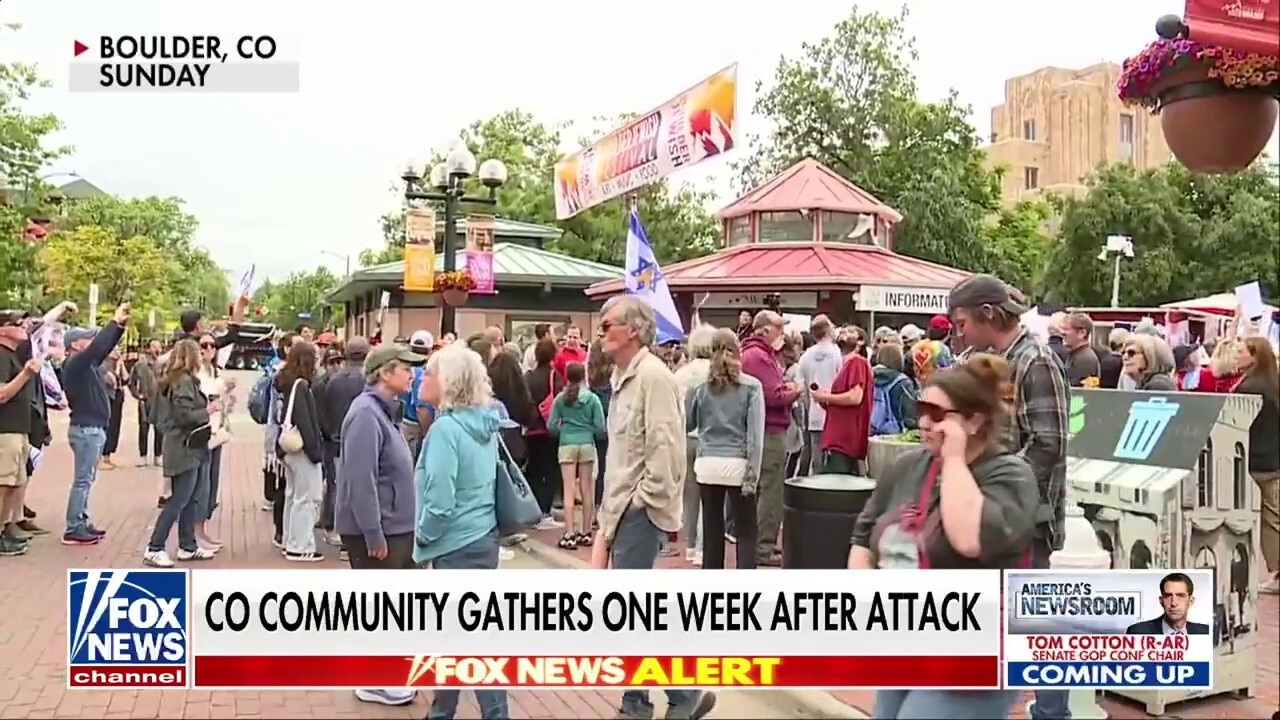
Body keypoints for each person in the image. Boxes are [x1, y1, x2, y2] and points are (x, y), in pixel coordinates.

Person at [850, 354, 1035, 719]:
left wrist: (953, 460)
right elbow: (864, 532)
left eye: (937, 415)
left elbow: (970, 539)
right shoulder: (909, 466)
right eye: (921, 410)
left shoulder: (1010, 476)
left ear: (974, 421)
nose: (923, 423)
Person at [947, 275, 1068, 720]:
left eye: (962, 323)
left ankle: (1051, 714)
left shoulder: (1035, 360)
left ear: (988, 314)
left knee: (1035, 622)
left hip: (1026, 519)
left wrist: (999, 490)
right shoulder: (996, 362)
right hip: (998, 515)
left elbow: (1049, 443)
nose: (959, 334)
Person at [590, 296, 715, 720]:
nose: (601, 332)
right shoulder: (624, 377)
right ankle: (665, 695)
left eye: (608, 324)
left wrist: (642, 504)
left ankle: (660, 698)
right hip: (622, 511)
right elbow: (624, 457)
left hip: (638, 513)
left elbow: (666, 451)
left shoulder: (653, 377)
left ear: (634, 330)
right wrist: (609, 519)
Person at [413, 342, 510, 720]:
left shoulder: (446, 430)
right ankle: (443, 710)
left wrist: (424, 535)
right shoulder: (483, 423)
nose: (422, 378)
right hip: (481, 536)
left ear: (448, 381)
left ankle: (490, 714)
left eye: (430, 373)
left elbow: (440, 499)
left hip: (456, 543)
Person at [338, 343, 422, 709]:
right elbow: (361, 479)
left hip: (395, 525)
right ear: (384, 373)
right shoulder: (365, 414)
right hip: (379, 529)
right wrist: (373, 531)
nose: (412, 374)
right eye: (405, 368)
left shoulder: (384, 411)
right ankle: (375, 680)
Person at [686, 328, 763, 570]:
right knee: (746, 530)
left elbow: (689, 423)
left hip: (707, 461)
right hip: (738, 462)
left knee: (712, 529)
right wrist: (752, 474)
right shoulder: (752, 386)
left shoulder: (700, 386)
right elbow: (755, 436)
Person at [61, 303, 130, 545]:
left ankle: (80, 520)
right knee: (82, 480)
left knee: (86, 479)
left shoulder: (86, 365)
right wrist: (114, 322)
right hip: (86, 429)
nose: (90, 341)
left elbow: (103, 347)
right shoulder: (75, 363)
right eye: (86, 338)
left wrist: (119, 327)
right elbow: (98, 347)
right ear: (75, 345)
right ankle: (73, 526)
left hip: (91, 429)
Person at [143, 339, 214, 567]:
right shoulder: (182, 381)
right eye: (199, 352)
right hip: (183, 446)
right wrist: (207, 410)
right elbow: (183, 416)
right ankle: (155, 547)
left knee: (190, 497)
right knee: (180, 498)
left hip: (189, 445)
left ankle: (187, 545)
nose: (202, 355)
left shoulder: (180, 380)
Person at [739, 310, 798, 567]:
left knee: (766, 488)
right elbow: (773, 396)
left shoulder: (756, 354)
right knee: (770, 490)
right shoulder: (758, 357)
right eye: (778, 328)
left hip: (765, 429)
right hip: (770, 430)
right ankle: (763, 547)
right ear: (764, 330)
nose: (782, 333)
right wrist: (793, 392)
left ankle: (762, 545)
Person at [316, 337, 373, 553]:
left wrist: (330, 433)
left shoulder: (334, 381)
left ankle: (335, 528)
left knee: (337, 486)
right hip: (362, 442)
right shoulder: (369, 380)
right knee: (360, 488)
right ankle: (355, 534)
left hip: (336, 440)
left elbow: (325, 411)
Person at [1233, 337, 1279, 594]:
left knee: (1265, 520)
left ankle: (1276, 571)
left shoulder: (1249, 388)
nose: (1235, 355)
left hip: (1254, 461)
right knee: (1273, 516)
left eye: (1240, 351)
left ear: (1254, 356)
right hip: (1271, 460)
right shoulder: (1272, 384)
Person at [274, 340, 325, 562]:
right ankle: (300, 545)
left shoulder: (286, 383)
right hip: (302, 448)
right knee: (307, 497)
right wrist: (315, 452)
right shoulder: (302, 386)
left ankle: (290, 540)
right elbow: (305, 420)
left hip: (288, 447)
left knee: (293, 495)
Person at [548, 361, 605, 549]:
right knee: (587, 489)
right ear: (584, 376)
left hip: (567, 444)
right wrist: (588, 432)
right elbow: (600, 428)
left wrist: (564, 432)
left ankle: (570, 533)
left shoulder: (561, 399)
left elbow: (551, 426)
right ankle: (586, 531)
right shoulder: (592, 399)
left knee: (569, 489)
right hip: (587, 444)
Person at [0, 313, 42, 556]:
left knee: (14, 484)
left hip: (17, 430)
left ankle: (5, 529)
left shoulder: (12, 355)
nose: (23, 327)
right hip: (5, 431)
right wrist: (25, 374)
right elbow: (2, 394)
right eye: (17, 324)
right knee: (3, 484)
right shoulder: (1, 356)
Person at [673, 325, 714, 564]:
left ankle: (689, 545)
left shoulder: (680, 375)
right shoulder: (715, 373)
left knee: (689, 495)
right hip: (708, 438)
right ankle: (701, 546)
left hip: (684, 437)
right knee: (709, 497)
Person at [815, 325, 873, 474]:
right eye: (844, 330)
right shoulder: (847, 364)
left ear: (860, 341)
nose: (844, 333)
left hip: (844, 440)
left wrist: (825, 397)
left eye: (851, 331)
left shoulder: (857, 362)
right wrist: (825, 399)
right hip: (841, 438)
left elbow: (855, 397)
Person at [524, 336, 565, 531]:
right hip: (549, 429)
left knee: (533, 469)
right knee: (550, 470)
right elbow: (560, 399)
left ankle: (533, 509)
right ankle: (545, 511)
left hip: (531, 429)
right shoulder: (554, 376)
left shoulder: (529, 376)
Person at [192, 336, 229, 553]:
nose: (208, 349)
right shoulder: (196, 374)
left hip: (217, 432)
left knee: (212, 483)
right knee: (202, 484)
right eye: (204, 345)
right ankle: (196, 531)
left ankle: (203, 528)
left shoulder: (216, 372)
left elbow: (220, 400)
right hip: (202, 433)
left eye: (212, 345)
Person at [797, 315, 844, 475]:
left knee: (817, 461)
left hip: (814, 416)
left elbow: (801, 389)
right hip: (836, 415)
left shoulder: (805, 357)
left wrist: (809, 406)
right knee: (834, 463)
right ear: (828, 330)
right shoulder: (837, 354)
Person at [1125, 573, 1210, 634]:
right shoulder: (1138, 632)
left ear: (1191, 601)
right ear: (1161, 601)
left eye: (1180, 596)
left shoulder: (1206, 632)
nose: (1174, 603)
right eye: (1168, 596)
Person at [586, 340, 614, 521]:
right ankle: (605, 507)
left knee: (598, 469)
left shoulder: (593, 382)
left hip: (596, 429)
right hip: (612, 426)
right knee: (609, 467)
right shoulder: (614, 381)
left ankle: (596, 508)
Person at [400, 330, 436, 461]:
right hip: (416, 428)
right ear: (429, 350)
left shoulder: (403, 370)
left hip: (402, 423)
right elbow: (422, 409)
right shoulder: (425, 375)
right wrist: (427, 433)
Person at [129, 339, 164, 466]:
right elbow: (131, 382)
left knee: (160, 429)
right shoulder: (140, 365)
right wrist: (137, 395)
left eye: (159, 347)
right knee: (144, 428)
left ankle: (158, 456)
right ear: (149, 349)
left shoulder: (164, 364)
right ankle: (143, 456)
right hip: (145, 401)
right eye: (154, 346)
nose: (156, 349)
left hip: (160, 401)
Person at [870, 343, 917, 435]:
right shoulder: (903, 382)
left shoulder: (868, 376)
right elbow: (909, 414)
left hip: (871, 430)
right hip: (895, 433)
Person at [99, 349, 128, 470]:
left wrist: (122, 366)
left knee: (115, 425)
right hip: (108, 396)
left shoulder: (118, 362)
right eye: (115, 349)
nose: (117, 352)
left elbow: (126, 378)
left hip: (118, 395)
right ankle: (101, 457)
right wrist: (117, 368)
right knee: (107, 425)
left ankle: (108, 456)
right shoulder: (103, 364)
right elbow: (111, 381)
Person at [1060, 312, 1101, 387]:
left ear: (1082, 333)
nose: (1062, 333)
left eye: (1066, 329)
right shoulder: (1076, 355)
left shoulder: (1085, 359)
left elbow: (1078, 391)